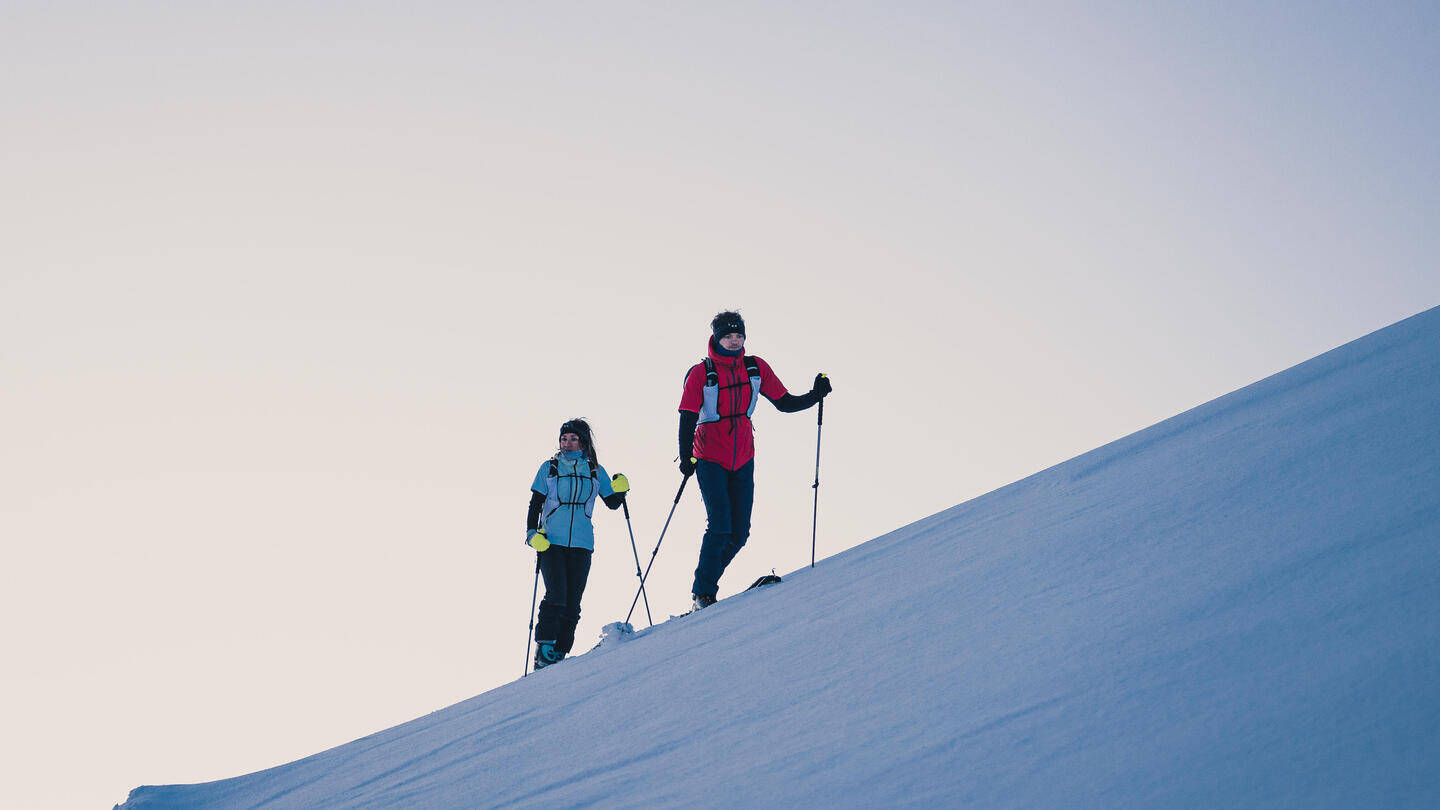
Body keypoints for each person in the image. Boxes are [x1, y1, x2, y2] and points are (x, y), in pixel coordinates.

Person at [677, 311, 831, 611]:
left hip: (743, 456)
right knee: (720, 525)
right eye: (727, 336)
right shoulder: (701, 373)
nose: (734, 341)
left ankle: (704, 589)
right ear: (717, 338)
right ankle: (703, 593)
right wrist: (686, 457)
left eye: (738, 336)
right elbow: (687, 415)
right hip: (709, 457)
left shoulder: (755, 368)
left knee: (740, 531)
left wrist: (815, 395)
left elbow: (785, 403)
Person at [525, 418, 629, 670]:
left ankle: (560, 651)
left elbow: (612, 503)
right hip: (551, 542)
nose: (567, 443)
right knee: (556, 595)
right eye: (564, 439)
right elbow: (535, 503)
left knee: (573, 601)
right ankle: (545, 648)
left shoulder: (594, 470)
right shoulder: (549, 468)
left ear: (583, 442)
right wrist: (531, 534)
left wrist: (621, 490)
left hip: (582, 543)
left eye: (573, 439)